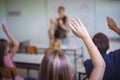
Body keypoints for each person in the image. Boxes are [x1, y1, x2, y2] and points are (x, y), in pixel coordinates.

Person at [39, 18, 105, 80]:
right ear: (69, 75)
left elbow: (52, 32)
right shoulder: (57, 41)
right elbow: (100, 65)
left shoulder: (56, 40)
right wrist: (85, 37)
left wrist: (55, 25)